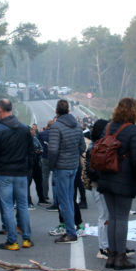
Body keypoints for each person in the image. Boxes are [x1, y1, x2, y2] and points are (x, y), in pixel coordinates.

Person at [97, 97, 136, 270]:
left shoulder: (108, 127)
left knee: (112, 217)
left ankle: (112, 255)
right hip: (124, 178)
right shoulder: (133, 131)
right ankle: (121, 257)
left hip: (106, 177)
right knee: (122, 218)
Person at [0, 98, 34, 251]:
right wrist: (27, 170)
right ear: (11, 109)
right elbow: (30, 152)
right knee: (23, 205)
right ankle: (27, 238)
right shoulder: (24, 129)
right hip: (21, 172)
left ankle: (12, 240)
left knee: (7, 206)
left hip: (4, 173)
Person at [48, 99, 86, 243]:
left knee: (63, 201)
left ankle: (70, 232)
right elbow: (82, 146)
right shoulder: (77, 125)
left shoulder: (56, 126)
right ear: (69, 110)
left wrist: (52, 165)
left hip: (61, 167)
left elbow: (52, 150)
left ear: (57, 111)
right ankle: (72, 228)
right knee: (70, 198)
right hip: (73, 166)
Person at [85, 119, 110, 259]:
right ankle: (103, 247)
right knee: (104, 216)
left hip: (100, 184)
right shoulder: (94, 147)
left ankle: (107, 245)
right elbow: (91, 170)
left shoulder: (96, 145)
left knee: (107, 216)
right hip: (98, 185)